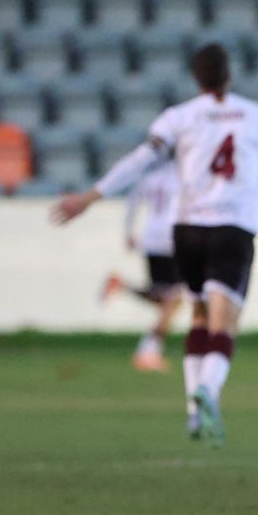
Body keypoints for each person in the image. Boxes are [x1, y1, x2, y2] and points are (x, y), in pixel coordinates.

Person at [51, 43, 258, 445]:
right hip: (233, 228)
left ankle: (191, 412)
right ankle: (209, 392)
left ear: (196, 79)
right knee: (226, 323)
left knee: (199, 316)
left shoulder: (179, 116)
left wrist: (89, 196)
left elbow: (139, 160)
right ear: (229, 75)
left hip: (185, 230)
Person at [101, 159, 186, 374]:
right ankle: (147, 352)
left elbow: (132, 203)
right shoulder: (186, 176)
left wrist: (129, 232)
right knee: (175, 299)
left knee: (165, 297)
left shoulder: (150, 178)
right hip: (172, 240)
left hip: (151, 239)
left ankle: (121, 285)